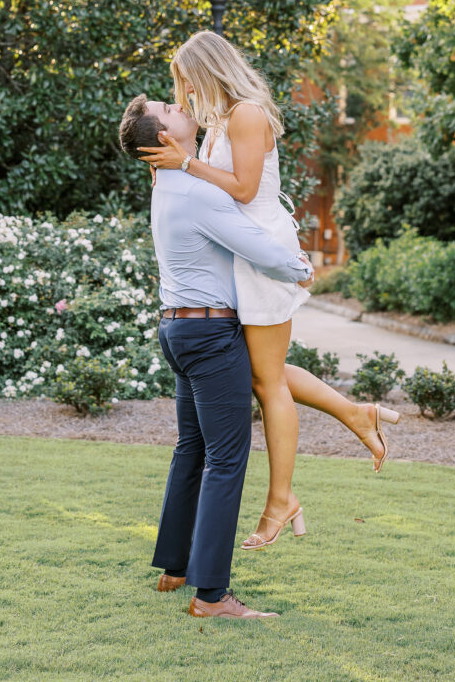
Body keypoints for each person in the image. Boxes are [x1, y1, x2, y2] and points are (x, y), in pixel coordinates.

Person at [137, 30, 400, 551]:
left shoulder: (247, 114)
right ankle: (354, 414)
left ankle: (281, 500)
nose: (182, 92)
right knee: (265, 373)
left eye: (184, 81)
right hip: (244, 253)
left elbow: (244, 191)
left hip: (263, 251)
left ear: (206, 71)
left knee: (267, 381)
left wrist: (186, 164)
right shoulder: (220, 122)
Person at [119, 93, 314, 619]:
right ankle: (212, 596)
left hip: (179, 331)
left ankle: (176, 568)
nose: (181, 105)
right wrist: (300, 265)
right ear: (164, 137)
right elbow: (259, 247)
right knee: (226, 461)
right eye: (170, 108)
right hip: (209, 336)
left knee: (192, 450)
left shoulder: (167, 183)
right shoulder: (196, 192)